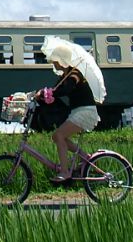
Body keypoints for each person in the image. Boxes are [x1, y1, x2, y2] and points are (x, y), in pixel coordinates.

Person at [35, 38, 106, 184]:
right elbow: (54, 90)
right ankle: (86, 158)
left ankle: (65, 172)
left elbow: (64, 90)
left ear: (62, 60)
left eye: (55, 60)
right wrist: (40, 94)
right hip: (77, 111)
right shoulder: (65, 76)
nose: (53, 62)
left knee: (59, 135)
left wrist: (49, 93)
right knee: (57, 137)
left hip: (85, 112)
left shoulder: (75, 75)